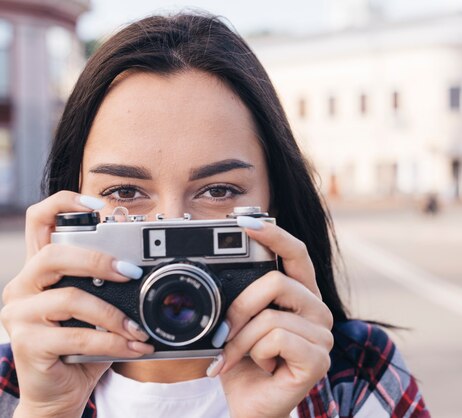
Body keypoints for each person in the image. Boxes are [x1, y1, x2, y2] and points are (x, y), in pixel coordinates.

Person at [0, 12, 429, 418]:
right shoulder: (15, 382)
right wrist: (48, 409)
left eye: (218, 191)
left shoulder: (356, 372)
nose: (169, 227)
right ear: (70, 212)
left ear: (275, 202)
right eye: (124, 192)